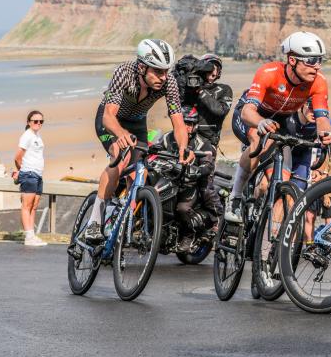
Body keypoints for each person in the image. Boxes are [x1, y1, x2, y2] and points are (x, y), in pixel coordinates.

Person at [85, 39, 193, 242]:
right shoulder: (124, 73)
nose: (163, 77)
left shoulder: (168, 82)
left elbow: (178, 122)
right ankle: (94, 222)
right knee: (120, 157)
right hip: (111, 120)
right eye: (158, 71)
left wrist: (183, 148)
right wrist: (120, 134)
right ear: (142, 67)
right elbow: (109, 116)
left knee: (138, 176)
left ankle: (119, 222)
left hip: (137, 123)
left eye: (166, 71)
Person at [226, 31, 331, 223]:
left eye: (320, 60)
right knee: (258, 141)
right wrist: (260, 122)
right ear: (292, 60)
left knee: (281, 179)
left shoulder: (319, 82)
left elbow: (322, 117)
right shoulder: (269, 73)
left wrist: (325, 133)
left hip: (282, 120)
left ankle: (262, 214)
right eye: (311, 60)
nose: (317, 66)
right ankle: (235, 196)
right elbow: (248, 111)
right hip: (253, 115)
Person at [153, 106, 220, 252]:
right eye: (184, 123)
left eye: (190, 124)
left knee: (182, 208)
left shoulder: (203, 144)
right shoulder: (167, 138)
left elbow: (208, 165)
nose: (187, 127)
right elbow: (154, 151)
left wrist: (196, 171)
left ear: (195, 125)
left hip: (189, 184)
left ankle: (190, 234)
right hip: (168, 180)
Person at [180, 54, 233, 149]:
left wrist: (200, 91)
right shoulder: (190, 87)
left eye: (216, 68)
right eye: (209, 67)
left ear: (219, 72)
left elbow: (220, 111)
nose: (212, 71)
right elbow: (177, 110)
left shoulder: (224, 89)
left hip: (209, 141)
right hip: (186, 137)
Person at [14, 110, 47, 247]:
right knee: (26, 206)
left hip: (38, 174)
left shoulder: (37, 136)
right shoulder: (27, 136)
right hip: (29, 173)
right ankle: (28, 236)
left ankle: (32, 235)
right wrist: (21, 171)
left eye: (41, 121)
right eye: (35, 121)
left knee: (34, 206)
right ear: (29, 122)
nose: (38, 123)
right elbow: (17, 157)